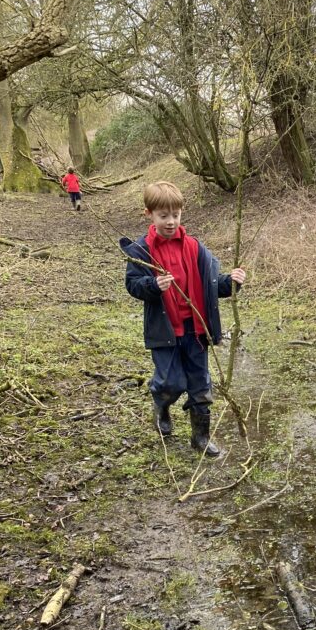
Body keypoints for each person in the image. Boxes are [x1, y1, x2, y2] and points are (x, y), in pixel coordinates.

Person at [121, 180, 246, 456]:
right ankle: (162, 406)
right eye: (163, 216)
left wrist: (232, 281)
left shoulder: (194, 247)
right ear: (149, 215)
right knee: (170, 382)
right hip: (165, 331)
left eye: (175, 215)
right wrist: (153, 286)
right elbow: (132, 284)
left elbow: (212, 283)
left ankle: (200, 438)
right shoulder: (142, 251)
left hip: (195, 330)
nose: (170, 222)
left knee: (201, 384)